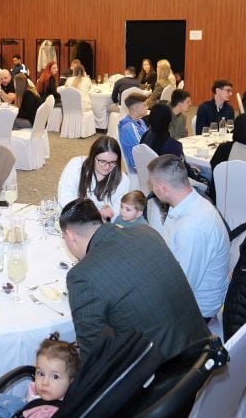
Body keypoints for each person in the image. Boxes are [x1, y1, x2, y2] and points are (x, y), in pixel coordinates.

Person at [60, 198, 209, 361]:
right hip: (205, 348)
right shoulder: (147, 232)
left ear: (70, 236)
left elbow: (94, 356)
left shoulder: (81, 276)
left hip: (165, 370)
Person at [149, 155, 230, 319]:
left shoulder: (192, 228)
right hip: (183, 286)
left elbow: (183, 287)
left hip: (197, 309)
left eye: (152, 184)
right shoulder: (190, 201)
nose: (152, 189)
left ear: (163, 188)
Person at [57, 136, 130, 221]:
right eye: (102, 161)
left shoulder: (123, 180)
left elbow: (116, 214)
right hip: (72, 219)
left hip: (100, 225)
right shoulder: (76, 165)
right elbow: (65, 198)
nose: (107, 167)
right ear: (92, 157)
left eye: (113, 162)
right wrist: (97, 213)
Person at [117, 91, 149, 169]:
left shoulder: (140, 121)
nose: (147, 107)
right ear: (136, 108)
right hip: (139, 166)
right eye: (144, 105)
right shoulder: (129, 127)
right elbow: (142, 149)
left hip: (144, 160)